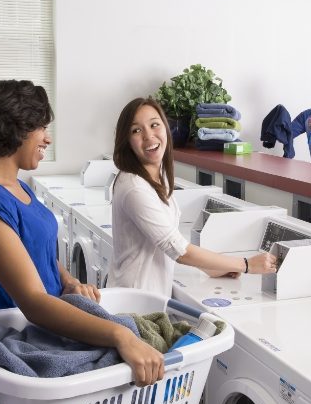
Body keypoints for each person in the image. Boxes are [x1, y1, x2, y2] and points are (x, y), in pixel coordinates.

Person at [0, 80, 164, 387]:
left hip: (48, 326)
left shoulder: (17, 187)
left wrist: (68, 280)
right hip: (21, 337)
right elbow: (34, 303)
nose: (47, 139)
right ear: (14, 128)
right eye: (41, 127)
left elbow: (37, 254)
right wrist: (122, 337)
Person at [108, 97, 277, 297]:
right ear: (126, 140)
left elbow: (170, 238)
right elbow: (179, 250)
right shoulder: (134, 187)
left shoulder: (157, 173)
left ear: (165, 127)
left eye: (154, 125)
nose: (148, 136)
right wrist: (247, 264)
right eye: (136, 130)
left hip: (146, 299)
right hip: (132, 302)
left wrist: (209, 267)